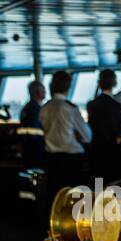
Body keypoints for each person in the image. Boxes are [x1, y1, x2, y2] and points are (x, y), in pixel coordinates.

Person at [39, 71, 91, 200]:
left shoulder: (44, 108)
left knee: (54, 197)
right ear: (68, 87)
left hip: (51, 159)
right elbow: (87, 136)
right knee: (74, 200)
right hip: (72, 161)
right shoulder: (70, 108)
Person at [20, 81, 47, 168]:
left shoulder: (26, 108)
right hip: (36, 149)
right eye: (44, 90)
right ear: (38, 92)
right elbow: (35, 132)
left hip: (27, 148)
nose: (45, 93)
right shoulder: (36, 109)